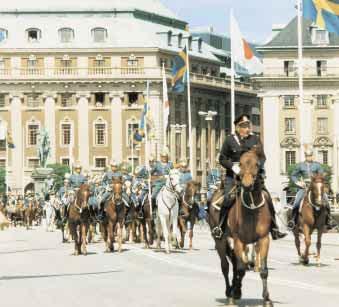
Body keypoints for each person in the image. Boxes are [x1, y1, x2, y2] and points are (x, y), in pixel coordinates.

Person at [212, 114, 287, 240]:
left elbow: (262, 157)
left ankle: (274, 228)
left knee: (267, 197)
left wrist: (257, 167)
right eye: (244, 126)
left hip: (253, 176)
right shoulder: (229, 140)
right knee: (228, 198)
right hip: (234, 176)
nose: (248, 129)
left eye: (248, 126)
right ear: (237, 127)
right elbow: (222, 158)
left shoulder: (255, 140)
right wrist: (233, 167)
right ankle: (220, 226)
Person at [289, 148, 334, 229]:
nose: (308, 157)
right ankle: (292, 220)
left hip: (315, 187)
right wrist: (298, 182)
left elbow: (321, 175)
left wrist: (321, 178)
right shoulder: (300, 165)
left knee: (326, 200)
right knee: (296, 201)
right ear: (305, 156)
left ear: (312, 156)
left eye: (310, 156)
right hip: (304, 187)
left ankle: (329, 220)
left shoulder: (317, 165)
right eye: (307, 156)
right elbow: (293, 175)